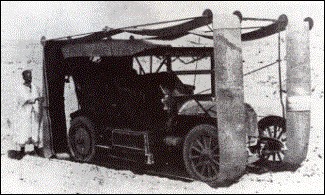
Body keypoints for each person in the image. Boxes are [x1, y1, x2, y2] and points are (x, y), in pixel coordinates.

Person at [9, 69, 43, 160]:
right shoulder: (19, 89)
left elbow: (38, 96)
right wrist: (31, 100)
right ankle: (22, 150)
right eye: (28, 77)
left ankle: (36, 148)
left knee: (35, 129)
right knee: (24, 130)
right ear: (24, 77)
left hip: (34, 112)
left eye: (30, 76)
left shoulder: (35, 87)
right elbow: (19, 101)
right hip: (24, 113)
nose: (30, 78)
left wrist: (38, 100)